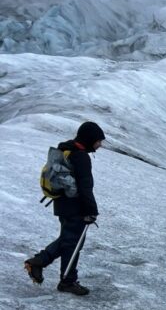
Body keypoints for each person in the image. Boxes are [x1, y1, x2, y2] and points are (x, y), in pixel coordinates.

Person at [24, 121, 105, 295]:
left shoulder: (66, 149)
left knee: (69, 241)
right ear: (90, 138)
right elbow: (85, 187)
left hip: (62, 203)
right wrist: (91, 210)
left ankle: (47, 266)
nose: (100, 144)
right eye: (98, 141)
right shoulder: (81, 156)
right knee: (72, 242)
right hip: (75, 206)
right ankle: (63, 278)